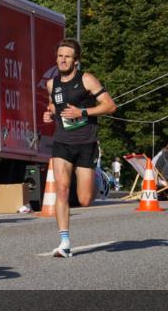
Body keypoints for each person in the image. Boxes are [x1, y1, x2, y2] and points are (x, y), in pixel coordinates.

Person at [42, 38, 117, 258]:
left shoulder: (87, 80)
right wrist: (50, 113)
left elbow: (110, 106)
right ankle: (64, 241)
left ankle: (99, 178)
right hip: (62, 142)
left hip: (86, 143)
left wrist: (82, 113)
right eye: (59, 56)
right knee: (62, 190)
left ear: (76, 60)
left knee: (84, 200)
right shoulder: (51, 83)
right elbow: (54, 105)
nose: (62, 60)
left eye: (67, 56)